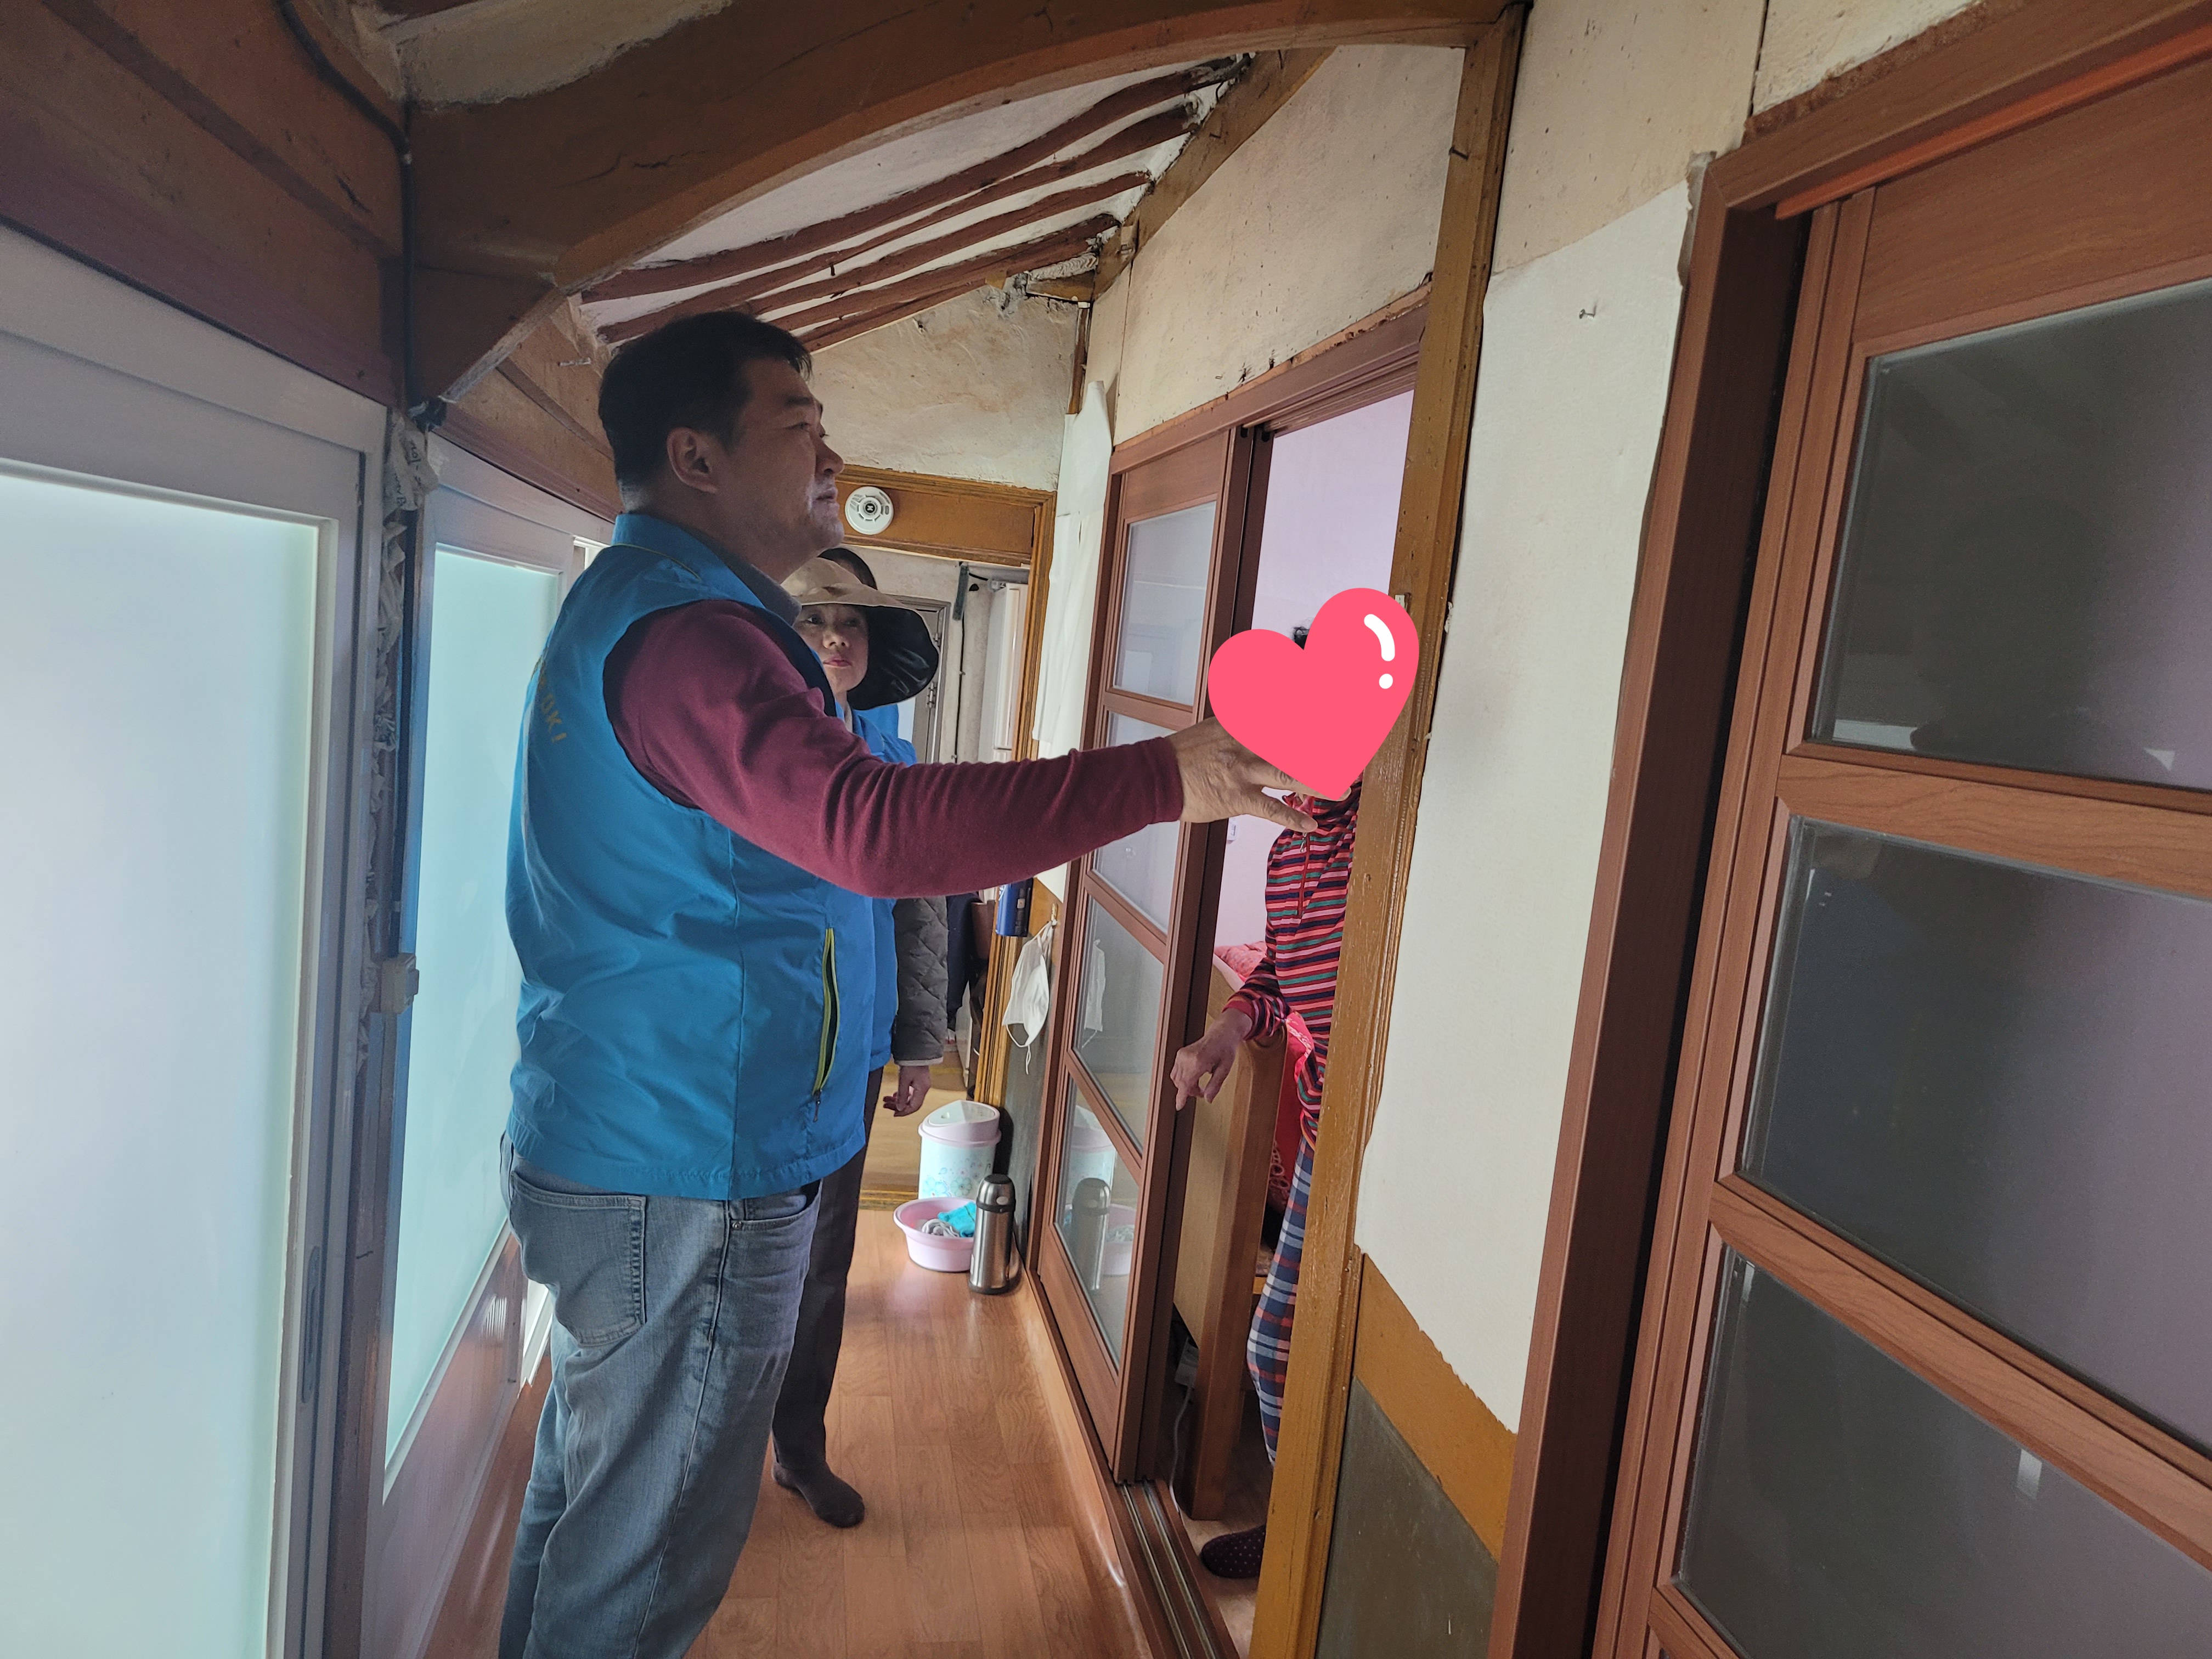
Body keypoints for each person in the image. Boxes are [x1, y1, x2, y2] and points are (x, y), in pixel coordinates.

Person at [499, 308, 1312, 1659]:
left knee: (591, 1504)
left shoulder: (660, 612)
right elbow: (871, 832)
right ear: (695, 457)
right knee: (641, 1566)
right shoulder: (693, 641)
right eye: (800, 427)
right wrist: (1170, 775)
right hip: (685, 1161)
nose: (832, 459)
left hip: (636, 1134)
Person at [770, 546, 947, 1527]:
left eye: (852, 621)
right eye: (813, 617)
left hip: (856, 1052)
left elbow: (920, 908)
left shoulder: (893, 760)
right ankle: (704, 1460)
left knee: (825, 1258)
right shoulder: (748, 746)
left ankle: (800, 1445)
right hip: (755, 1050)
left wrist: (917, 1038)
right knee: (733, 1254)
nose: (835, 637)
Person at [1168, 781, 1361, 1581]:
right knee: (1279, 1347)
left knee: (1286, 1347)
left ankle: (1312, 1558)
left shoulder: (1384, 836)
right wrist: (1226, 1028)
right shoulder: (1287, 852)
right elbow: (1278, 975)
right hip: (1323, 1134)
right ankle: (1298, 1536)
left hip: (1381, 1141)